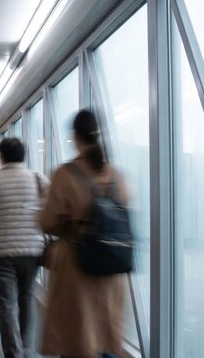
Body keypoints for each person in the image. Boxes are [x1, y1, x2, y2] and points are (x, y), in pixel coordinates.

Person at [38, 109, 128, 358]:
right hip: (112, 266)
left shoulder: (65, 174)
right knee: (106, 333)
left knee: (77, 336)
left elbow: (47, 221)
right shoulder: (116, 175)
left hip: (77, 265)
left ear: (75, 137)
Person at [0, 138, 49, 358]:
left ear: (1, 156)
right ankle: (25, 347)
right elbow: (51, 210)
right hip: (32, 251)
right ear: (24, 156)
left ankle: (13, 353)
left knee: (6, 303)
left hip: (2, 252)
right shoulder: (37, 179)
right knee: (26, 298)